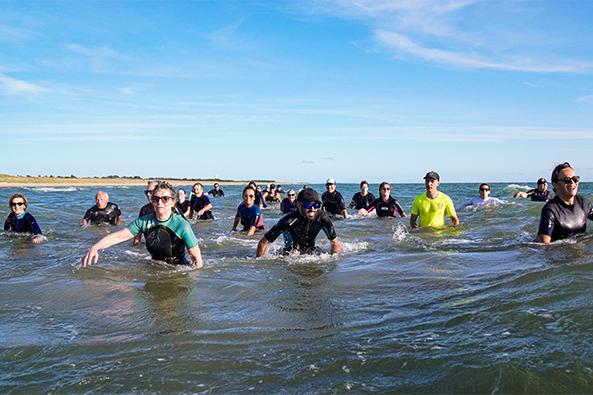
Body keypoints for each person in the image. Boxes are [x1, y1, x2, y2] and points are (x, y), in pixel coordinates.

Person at [82, 182, 203, 268]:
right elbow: (118, 236)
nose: (160, 202)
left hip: (178, 269)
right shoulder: (144, 221)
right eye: (156, 199)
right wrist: (95, 247)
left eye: (165, 199)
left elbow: (198, 261)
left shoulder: (182, 225)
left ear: (173, 202)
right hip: (155, 267)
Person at [256, 188, 341, 256]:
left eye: (316, 205)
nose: (312, 209)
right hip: (290, 255)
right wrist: (258, 264)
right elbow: (264, 242)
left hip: (312, 254)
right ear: (298, 205)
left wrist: (334, 260)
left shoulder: (322, 218)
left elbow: (334, 242)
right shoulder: (288, 221)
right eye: (308, 205)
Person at [536, 162, 593, 244]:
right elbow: (544, 245)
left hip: (579, 252)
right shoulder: (550, 210)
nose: (572, 182)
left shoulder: (584, 203)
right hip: (560, 254)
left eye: (575, 179)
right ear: (555, 185)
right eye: (567, 180)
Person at [132, 180, 159, 246]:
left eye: (150, 192)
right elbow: (139, 232)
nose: (148, 194)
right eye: (146, 192)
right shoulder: (144, 210)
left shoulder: (170, 209)